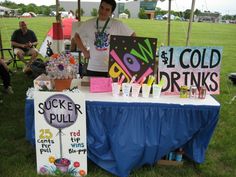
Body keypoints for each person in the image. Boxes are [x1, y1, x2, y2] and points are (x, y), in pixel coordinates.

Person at [74, 0, 136, 77]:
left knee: (111, 89)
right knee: (92, 89)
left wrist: (122, 54)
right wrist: (84, 51)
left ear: (111, 12)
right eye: (102, 7)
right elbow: (76, 36)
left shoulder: (117, 24)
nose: (103, 11)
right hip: (93, 67)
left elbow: (133, 36)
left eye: (107, 10)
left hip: (111, 68)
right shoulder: (88, 23)